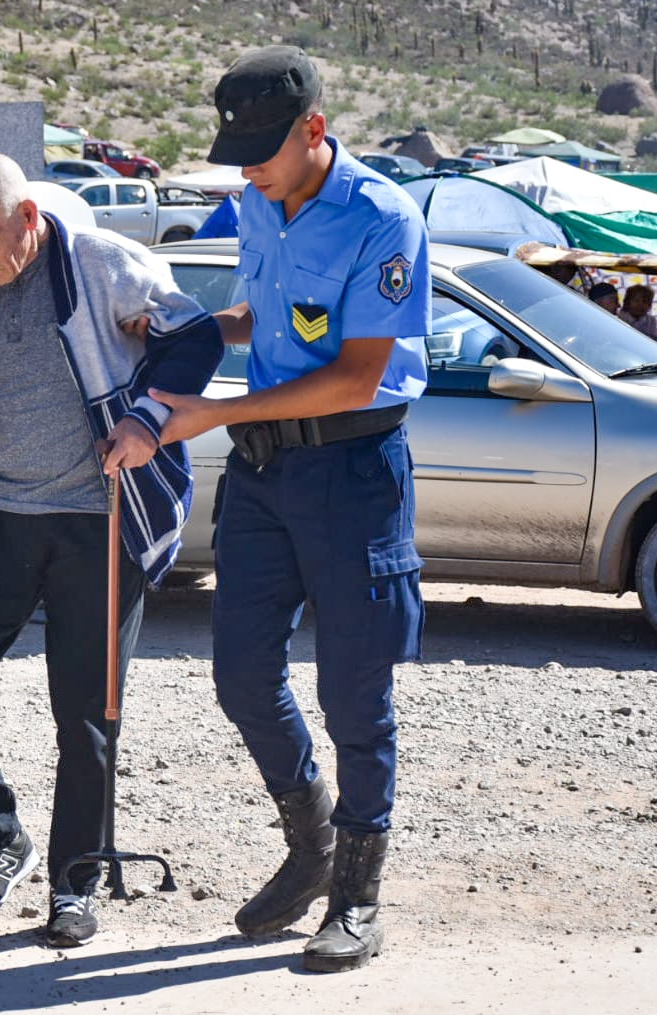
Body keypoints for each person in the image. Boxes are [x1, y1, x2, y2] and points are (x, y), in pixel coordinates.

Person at [147, 47, 430, 974]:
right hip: (267, 480)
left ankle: (356, 891)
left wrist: (217, 411)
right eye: (236, 149)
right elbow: (267, 322)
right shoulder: (256, 203)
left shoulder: (382, 217)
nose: (247, 167)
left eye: (263, 147)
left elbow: (354, 374)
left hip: (353, 474)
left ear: (316, 128)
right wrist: (182, 325)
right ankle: (309, 844)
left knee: (356, 691)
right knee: (239, 676)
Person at [0, 152, 221, 947]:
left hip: (95, 515)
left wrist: (147, 418)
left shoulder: (102, 262)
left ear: (28, 220)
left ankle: (74, 884)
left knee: (85, 713)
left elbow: (198, 335)